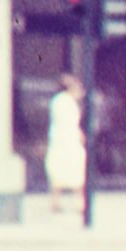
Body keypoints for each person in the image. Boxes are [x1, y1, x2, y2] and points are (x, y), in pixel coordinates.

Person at [44, 72, 86, 214]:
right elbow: (69, 123)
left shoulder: (58, 101)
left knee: (58, 172)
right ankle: (78, 203)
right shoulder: (66, 102)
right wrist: (78, 135)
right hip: (68, 142)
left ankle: (55, 202)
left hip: (60, 141)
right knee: (75, 171)